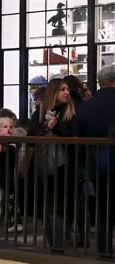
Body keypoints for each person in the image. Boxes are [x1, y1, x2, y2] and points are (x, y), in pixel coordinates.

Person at [28, 78, 77, 251]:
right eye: (62, 89)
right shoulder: (40, 112)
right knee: (48, 205)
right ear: (53, 93)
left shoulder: (70, 113)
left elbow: (73, 135)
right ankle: (53, 243)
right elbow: (31, 136)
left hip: (64, 167)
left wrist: (55, 128)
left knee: (62, 205)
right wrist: (44, 127)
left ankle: (59, 243)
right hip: (43, 167)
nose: (66, 92)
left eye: (67, 89)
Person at [77, 65, 115, 256]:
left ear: (100, 82)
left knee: (102, 207)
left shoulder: (86, 106)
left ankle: (103, 247)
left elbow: (79, 135)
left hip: (95, 163)